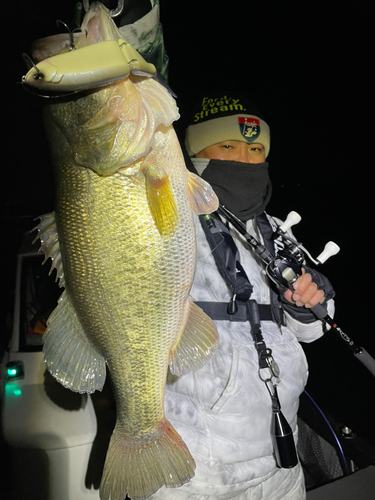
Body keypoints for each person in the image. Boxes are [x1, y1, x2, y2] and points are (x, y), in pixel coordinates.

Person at [117, 2, 335, 498]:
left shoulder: (277, 228)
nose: (246, 160)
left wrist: (314, 300)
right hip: (195, 467)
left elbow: (315, 330)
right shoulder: (169, 210)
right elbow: (143, 120)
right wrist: (135, 33)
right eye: (229, 149)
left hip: (280, 460)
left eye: (256, 151)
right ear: (193, 152)